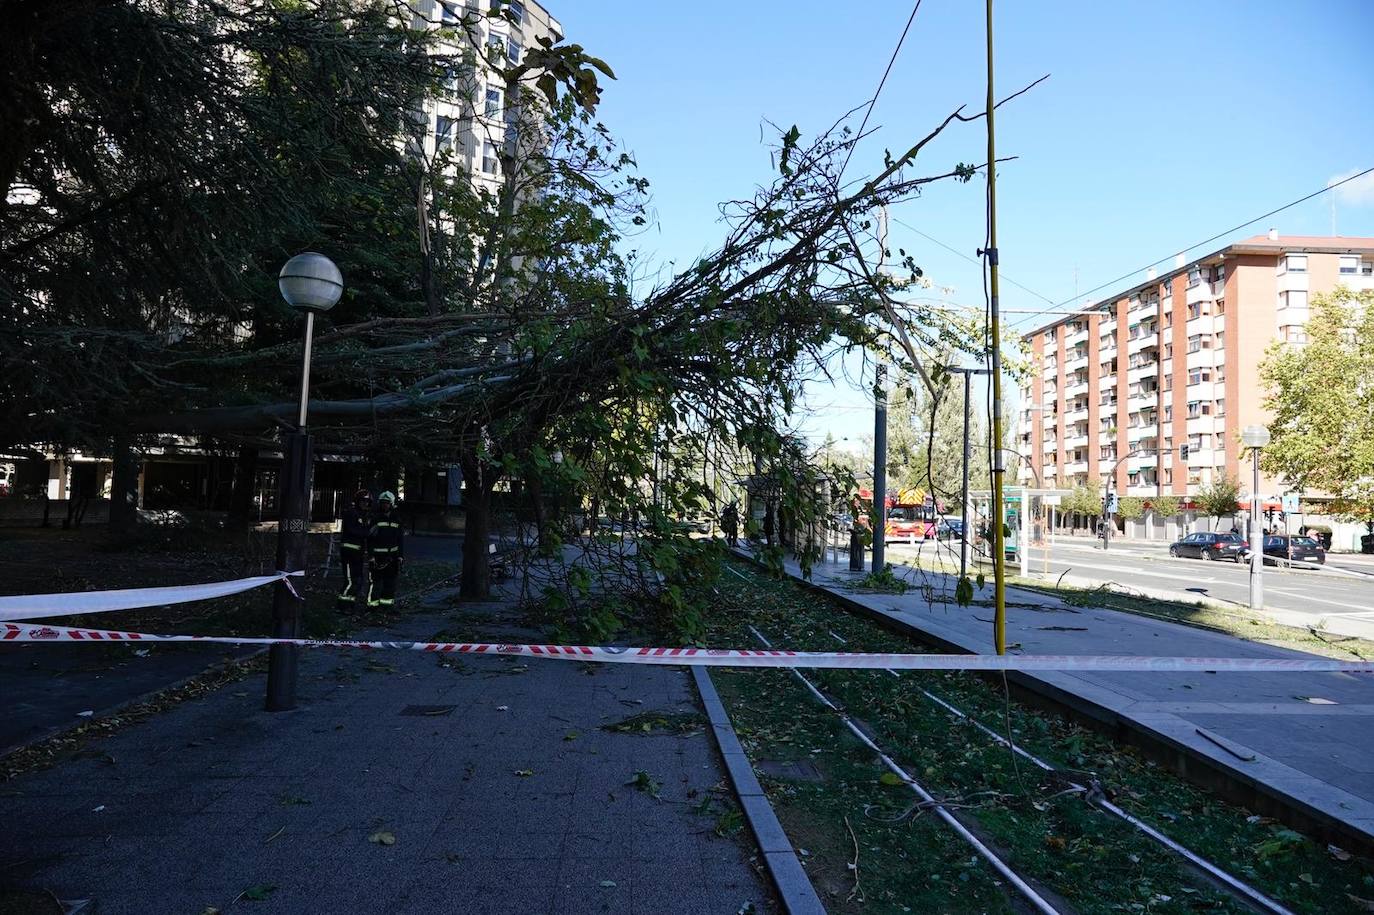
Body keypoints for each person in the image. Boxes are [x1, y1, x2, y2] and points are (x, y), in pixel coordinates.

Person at [367, 491, 404, 610]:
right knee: (376, 583)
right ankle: (372, 607)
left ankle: (387, 607)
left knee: (390, 583)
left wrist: (400, 556)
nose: (385, 505)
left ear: (391, 504)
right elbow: (370, 539)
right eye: (383, 503)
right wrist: (371, 556)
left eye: (387, 503)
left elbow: (400, 539)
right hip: (377, 557)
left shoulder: (397, 520)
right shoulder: (375, 519)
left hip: (392, 557)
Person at [337, 489, 371, 609]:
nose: (365, 504)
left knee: (358, 581)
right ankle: (342, 605)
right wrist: (368, 532)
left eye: (367, 501)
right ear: (357, 501)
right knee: (351, 581)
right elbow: (353, 531)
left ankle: (349, 605)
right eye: (363, 501)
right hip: (349, 553)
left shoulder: (363, 515)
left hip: (358, 554)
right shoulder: (351, 513)